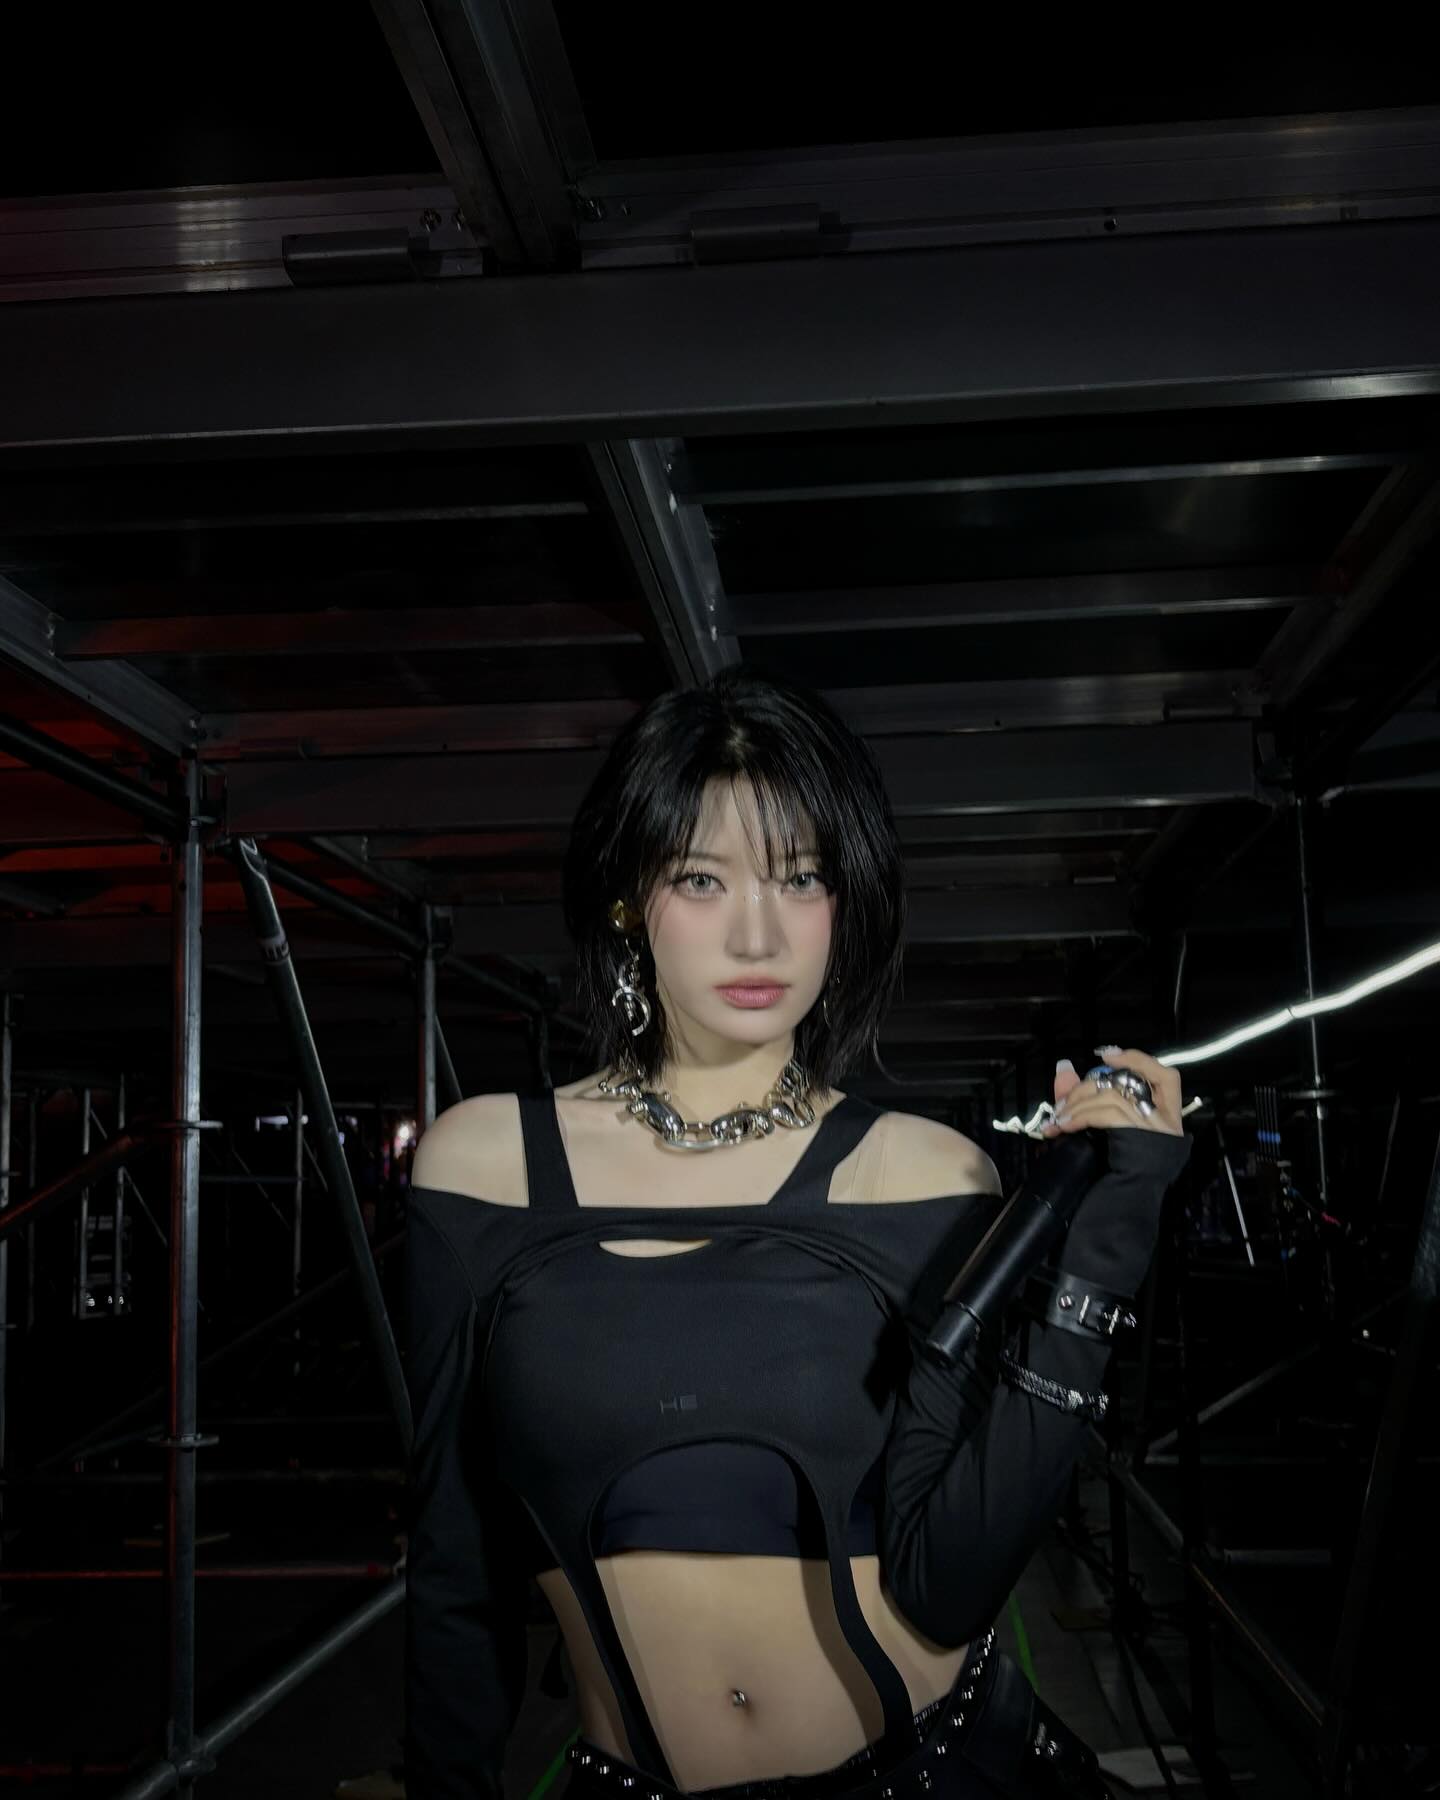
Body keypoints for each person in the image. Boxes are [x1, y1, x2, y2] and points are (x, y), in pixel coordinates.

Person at [404, 668, 1192, 1800]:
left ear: (843, 900)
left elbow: (949, 1585)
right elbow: (454, 1563)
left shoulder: (926, 1173)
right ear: (629, 898)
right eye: (703, 878)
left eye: (801, 877)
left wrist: (1107, 1240)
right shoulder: (483, 1169)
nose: (759, 932)